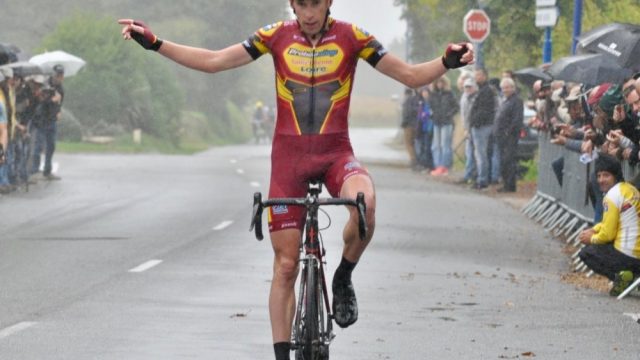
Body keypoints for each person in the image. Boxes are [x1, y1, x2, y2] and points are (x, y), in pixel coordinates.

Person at [118, 2, 474, 359]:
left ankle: (343, 276)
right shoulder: (275, 36)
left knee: (365, 202)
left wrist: (446, 62)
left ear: (329, 1)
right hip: (289, 160)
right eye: (301, 4)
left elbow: (410, 76)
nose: (309, 13)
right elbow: (213, 62)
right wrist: (155, 43)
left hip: (336, 153)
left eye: (315, 3)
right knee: (286, 265)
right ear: (292, 4)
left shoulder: (352, 37)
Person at [578, 154, 640, 296]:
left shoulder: (611, 196)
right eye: (599, 176)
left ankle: (624, 278)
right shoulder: (630, 190)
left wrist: (591, 238)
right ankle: (630, 277)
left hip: (628, 257)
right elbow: (609, 223)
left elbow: (608, 234)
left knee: (587, 252)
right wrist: (594, 229)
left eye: (606, 175)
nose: (601, 180)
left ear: (615, 176)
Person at [468, 67, 497, 190]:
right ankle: (480, 177)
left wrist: (475, 120)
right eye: (476, 75)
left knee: (481, 154)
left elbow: (484, 110)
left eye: (479, 75)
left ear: (485, 76)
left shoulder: (487, 91)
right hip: (478, 126)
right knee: (479, 154)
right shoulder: (480, 91)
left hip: (483, 126)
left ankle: (483, 179)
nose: (476, 77)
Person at [493, 77, 523, 192]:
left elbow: (516, 120)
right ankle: (505, 183)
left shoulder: (517, 101)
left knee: (509, 161)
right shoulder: (505, 101)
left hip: (510, 137)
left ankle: (510, 185)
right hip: (501, 136)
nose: (505, 90)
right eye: (503, 88)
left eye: (507, 87)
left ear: (512, 87)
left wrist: (507, 132)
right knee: (503, 161)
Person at [428, 76, 458, 176]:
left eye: (441, 82)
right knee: (435, 146)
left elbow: (456, 107)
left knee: (445, 145)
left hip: (447, 122)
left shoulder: (450, 94)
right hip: (436, 122)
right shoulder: (433, 95)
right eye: (438, 82)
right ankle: (438, 166)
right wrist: (432, 115)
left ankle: (445, 166)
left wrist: (448, 114)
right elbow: (430, 107)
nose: (439, 84)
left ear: (445, 83)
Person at [457, 77, 477, 185]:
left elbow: (471, 114)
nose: (468, 89)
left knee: (475, 153)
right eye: (466, 87)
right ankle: (468, 174)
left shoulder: (475, 97)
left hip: (474, 127)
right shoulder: (464, 98)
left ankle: (472, 175)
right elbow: (464, 115)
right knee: (469, 152)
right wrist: (465, 128)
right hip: (468, 128)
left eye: (470, 87)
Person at [400, 87, 420, 170]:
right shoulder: (415, 100)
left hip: (408, 125)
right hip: (414, 124)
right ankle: (415, 160)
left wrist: (404, 122)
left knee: (408, 144)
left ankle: (413, 161)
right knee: (413, 143)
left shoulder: (407, 101)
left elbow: (407, 113)